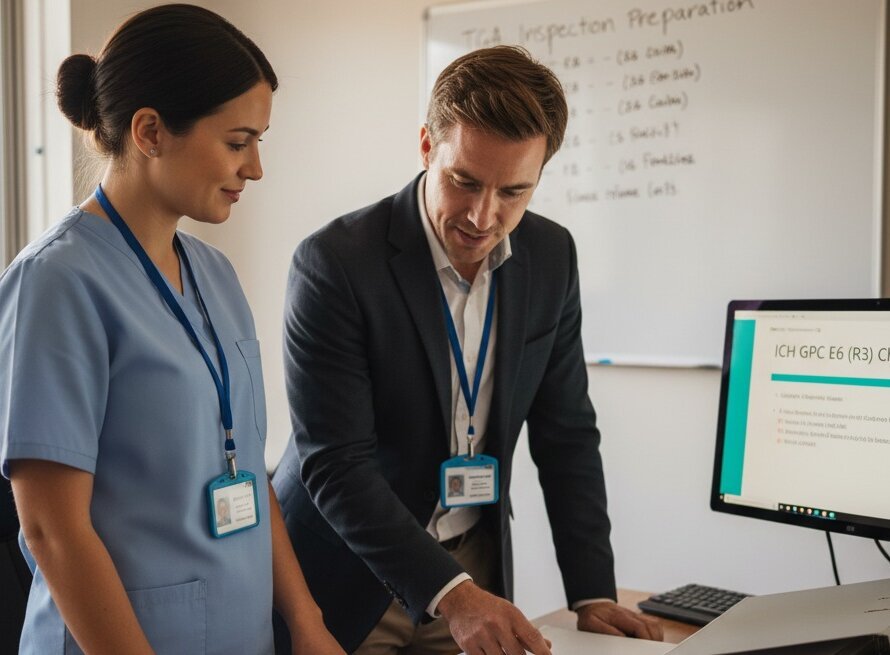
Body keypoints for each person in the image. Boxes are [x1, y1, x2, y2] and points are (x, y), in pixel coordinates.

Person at [271, 45, 664, 654]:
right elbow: (336, 463)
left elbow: (567, 434)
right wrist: (452, 594)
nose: (483, 216)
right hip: (347, 576)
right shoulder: (336, 263)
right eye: (465, 182)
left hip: (471, 562)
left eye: (514, 192)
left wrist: (592, 593)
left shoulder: (552, 256)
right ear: (427, 146)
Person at [0, 5, 343, 654]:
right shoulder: (56, 282)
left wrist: (305, 619)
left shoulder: (215, 274)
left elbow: (245, 466)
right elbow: (52, 531)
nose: (255, 168)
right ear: (151, 132)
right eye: (238, 142)